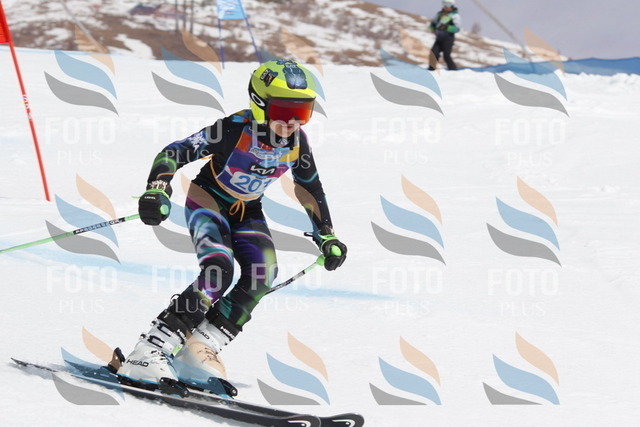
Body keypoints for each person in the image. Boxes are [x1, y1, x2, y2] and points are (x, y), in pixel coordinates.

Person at [116, 60, 347, 393]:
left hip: (247, 210)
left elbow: (309, 187)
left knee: (262, 274)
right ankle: (149, 351)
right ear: (260, 104)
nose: (292, 122)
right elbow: (175, 152)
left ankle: (198, 350)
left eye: (302, 112)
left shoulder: (298, 142)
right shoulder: (233, 129)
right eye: (284, 111)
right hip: (208, 200)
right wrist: (157, 189)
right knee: (218, 270)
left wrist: (326, 234)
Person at [428, 0, 461, 70]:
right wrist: (432, 28)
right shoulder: (439, 14)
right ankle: (431, 69)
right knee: (433, 53)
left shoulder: (455, 16)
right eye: (444, 3)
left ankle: (453, 70)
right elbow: (433, 23)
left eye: (448, 4)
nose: (446, 6)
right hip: (439, 38)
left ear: (452, 5)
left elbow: (457, 29)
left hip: (448, 39)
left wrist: (447, 27)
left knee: (446, 56)